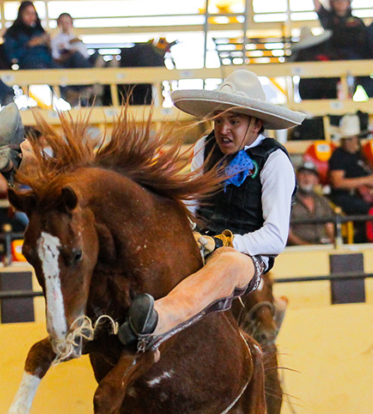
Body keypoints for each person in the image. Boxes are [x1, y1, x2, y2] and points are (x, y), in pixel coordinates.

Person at [112, 70, 304, 346]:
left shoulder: (274, 161)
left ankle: (158, 319)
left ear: (256, 125)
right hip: (202, 241)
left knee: (226, 264)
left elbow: (275, 237)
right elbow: (189, 205)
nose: (223, 129)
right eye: (218, 120)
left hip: (248, 257)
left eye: (233, 122)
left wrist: (223, 244)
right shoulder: (204, 146)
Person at [328, 115, 373, 243]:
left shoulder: (361, 154)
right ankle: (365, 240)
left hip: (364, 194)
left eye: (352, 139)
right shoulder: (338, 156)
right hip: (346, 196)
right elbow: (338, 183)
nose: (350, 143)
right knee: (366, 210)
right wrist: (367, 181)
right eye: (347, 139)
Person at [311, 0, 373, 97]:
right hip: (340, 56)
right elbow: (318, 7)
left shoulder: (356, 21)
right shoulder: (329, 19)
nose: (341, 3)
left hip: (360, 56)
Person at [289, 160, 336, 245]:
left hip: (323, 247)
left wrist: (332, 242)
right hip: (297, 251)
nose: (306, 177)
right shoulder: (288, 202)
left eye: (310, 174)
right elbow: (287, 234)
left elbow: (329, 227)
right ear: (296, 178)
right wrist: (307, 246)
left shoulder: (322, 201)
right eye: (303, 174)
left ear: (316, 180)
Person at [4, 1, 55, 70]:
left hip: (46, 63)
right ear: (21, 15)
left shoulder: (39, 31)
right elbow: (11, 56)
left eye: (33, 14)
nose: (31, 17)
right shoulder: (13, 33)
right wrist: (29, 44)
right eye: (27, 14)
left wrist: (49, 46)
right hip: (27, 65)